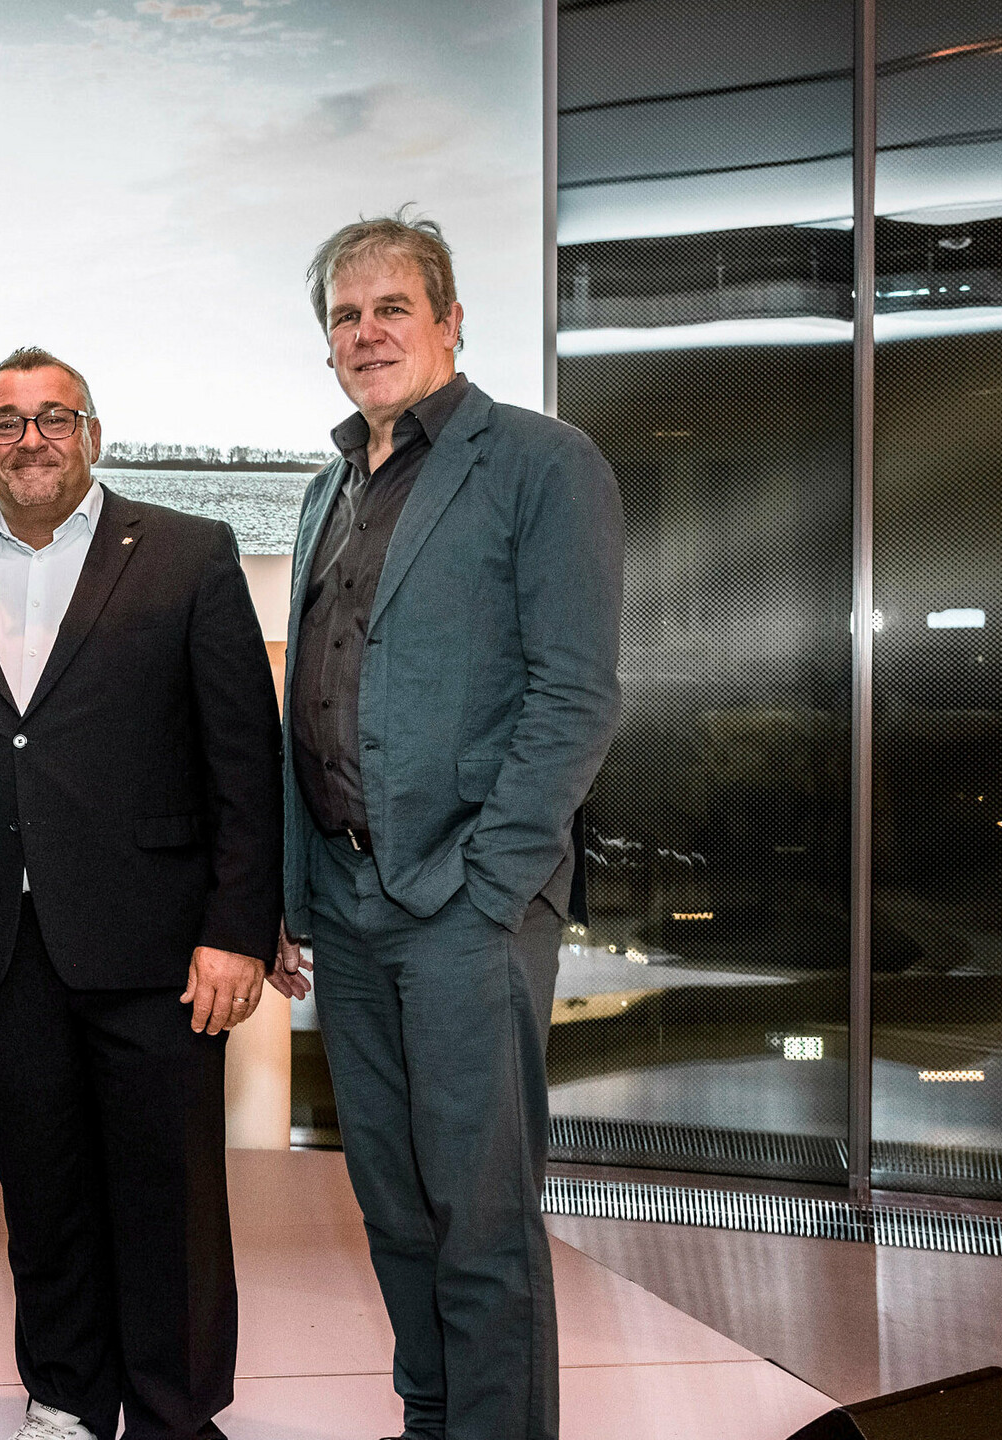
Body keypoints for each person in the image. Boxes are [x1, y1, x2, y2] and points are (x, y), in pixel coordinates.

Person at [267, 211, 622, 1440]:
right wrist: (294, 895)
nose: (366, 334)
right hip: (350, 909)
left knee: (479, 1221)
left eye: (390, 309)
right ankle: (433, 1422)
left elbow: (574, 692)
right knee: (397, 1211)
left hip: (464, 909)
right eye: (344, 316)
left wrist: (491, 884)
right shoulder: (327, 489)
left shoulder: (539, 462)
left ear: (452, 321)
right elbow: (311, 690)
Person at [0, 347, 282, 1440]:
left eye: (53, 418)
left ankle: (177, 1413)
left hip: (156, 941)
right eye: (6, 422)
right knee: (40, 1193)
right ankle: (65, 1396)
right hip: (3, 944)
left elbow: (243, 754)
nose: (29, 438)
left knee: (168, 1197)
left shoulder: (187, 552)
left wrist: (236, 928)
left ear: (92, 434)